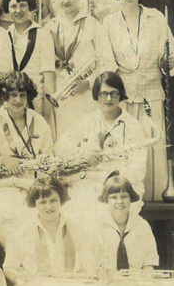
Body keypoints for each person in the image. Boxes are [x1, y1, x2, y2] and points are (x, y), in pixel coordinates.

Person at [3, 178, 126, 286]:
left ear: (61, 200)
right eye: (43, 202)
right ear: (35, 204)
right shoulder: (22, 231)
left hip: (66, 284)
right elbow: (9, 268)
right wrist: (20, 279)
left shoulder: (76, 227)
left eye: (53, 200)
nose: (49, 206)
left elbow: (89, 264)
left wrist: (88, 277)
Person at [103, 0, 174, 201]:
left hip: (151, 92)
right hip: (124, 96)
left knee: (152, 143)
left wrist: (168, 62)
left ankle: (155, 197)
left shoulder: (155, 18)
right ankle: (125, 198)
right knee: (126, 146)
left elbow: (171, 53)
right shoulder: (109, 22)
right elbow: (106, 61)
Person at [55, 72, 149, 224]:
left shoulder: (132, 125)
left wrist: (106, 176)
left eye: (114, 93)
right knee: (75, 214)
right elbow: (60, 147)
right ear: (96, 96)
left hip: (121, 187)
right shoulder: (87, 121)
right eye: (104, 94)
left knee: (106, 216)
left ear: (121, 95)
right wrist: (82, 155)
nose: (109, 99)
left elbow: (138, 171)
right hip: (88, 185)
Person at [0, 72, 54, 248]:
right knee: (7, 217)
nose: (18, 100)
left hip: (34, 183)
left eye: (22, 95)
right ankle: (15, 267)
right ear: (4, 96)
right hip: (6, 186)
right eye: (13, 94)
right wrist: (2, 160)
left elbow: (49, 156)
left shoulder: (38, 121)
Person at [45, 0, 116, 134]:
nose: (66, 0)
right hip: (60, 94)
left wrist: (88, 83)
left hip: (86, 96)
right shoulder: (49, 27)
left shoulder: (92, 24)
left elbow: (108, 62)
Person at [5, 0, 56, 123]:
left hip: (35, 102)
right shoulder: (5, 35)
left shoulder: (43, 35)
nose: (18, 10)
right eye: (13, 6)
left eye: (23, 5)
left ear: (30, 7)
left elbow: (49, 78)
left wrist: (47, 114)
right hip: (10, 103)